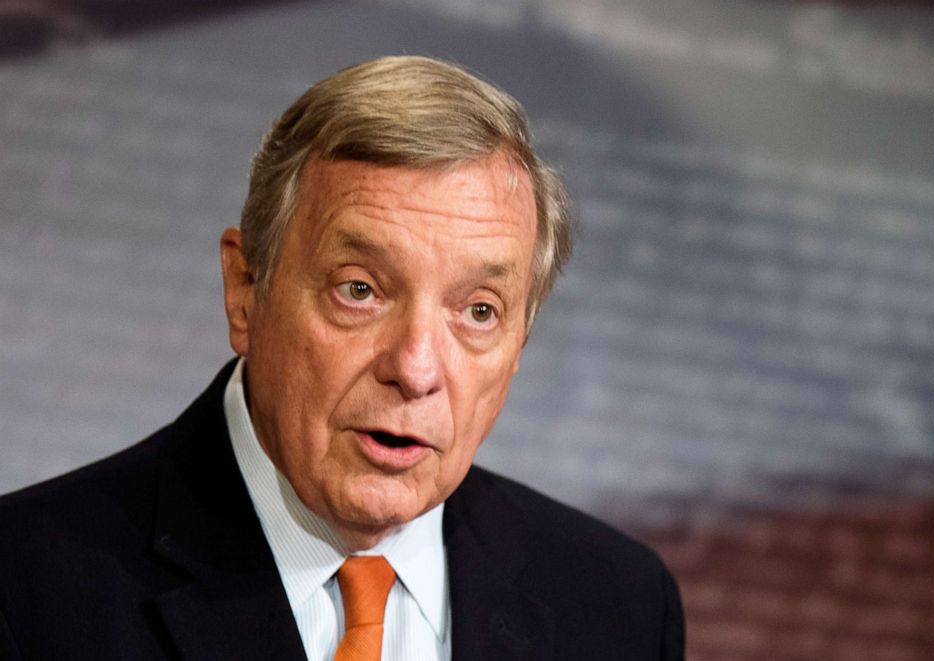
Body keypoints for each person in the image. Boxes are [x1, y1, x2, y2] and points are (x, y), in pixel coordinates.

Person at [0, 55, 684, 660]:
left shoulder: (620, 605)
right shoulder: (24, 590)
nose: (416, 370)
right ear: (245, 290)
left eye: (478, 310)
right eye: (359, 290)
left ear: (521, 343)